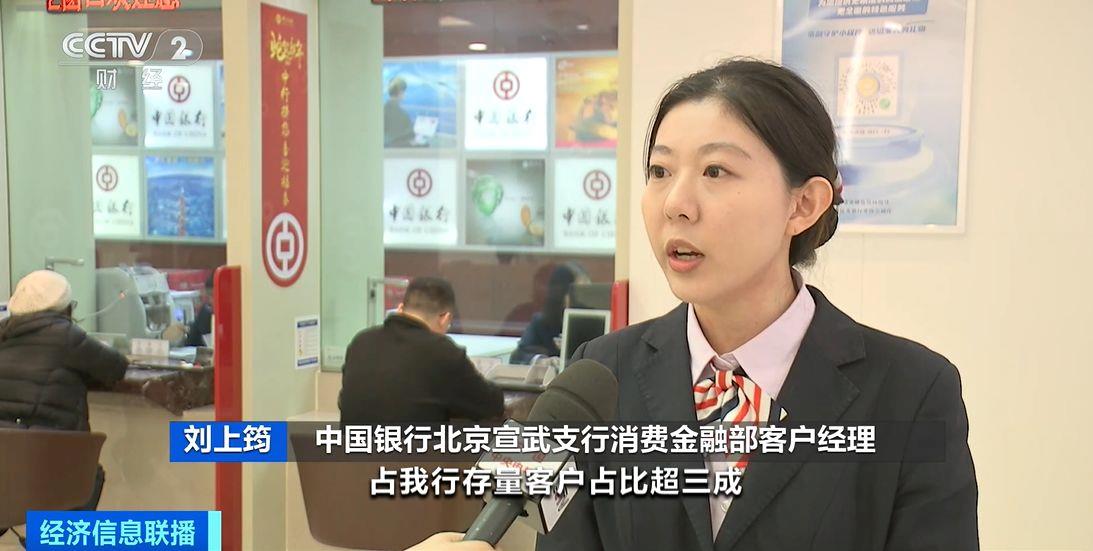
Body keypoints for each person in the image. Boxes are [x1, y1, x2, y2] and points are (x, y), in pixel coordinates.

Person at [535, 59, 978, 550]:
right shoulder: (601, 375)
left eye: (715, 171)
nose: (675, 204)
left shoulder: (912, 392)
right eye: (660, 171)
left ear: (803, 205)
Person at [0, 269, 129, 516]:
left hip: (4, 472)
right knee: (89, 474)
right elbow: (116, 367)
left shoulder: (3, 333)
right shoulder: (67, 337)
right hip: (45, 468)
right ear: (65, 308)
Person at [339, 276, 504, 424]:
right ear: (445, 318)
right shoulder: (442, 351)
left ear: (400, 309)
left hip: (352, 447)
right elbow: (491, 405)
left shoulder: (361, 341)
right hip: (414, 448)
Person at [511, 262, 590, 364]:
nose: (582, 298)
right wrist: (541, 360)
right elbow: (519, 355)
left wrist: (570, 348)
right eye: (577, 292)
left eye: (587, 291)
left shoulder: (595, 321)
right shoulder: (541, 322)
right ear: (561, 292)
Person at [184, 270, 215, 347]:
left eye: (214, 296)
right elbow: (190, 342)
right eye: (209, 296)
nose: (210, 301)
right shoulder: (205, 313)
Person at [384, 76, 416, 147]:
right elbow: (411, 137)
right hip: (397, 149)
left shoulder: (383, 110)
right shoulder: (403, 115)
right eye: (404, 92)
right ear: (401, 92)